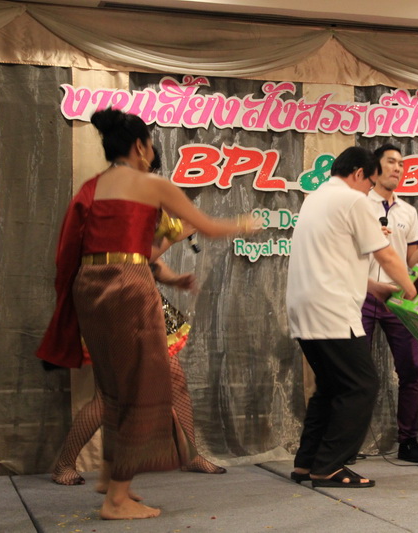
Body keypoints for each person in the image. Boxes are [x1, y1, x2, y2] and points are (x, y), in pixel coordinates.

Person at [37, 108, 258, 519]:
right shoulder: (152, 184)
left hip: (88, 286)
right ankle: (116, 500)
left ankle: (109, 478)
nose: (152, 152)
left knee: (112, 389)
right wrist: (245, 223)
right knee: (143, 390)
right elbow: (207, 227)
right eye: (151, 144)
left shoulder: (92, 187)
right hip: (128, 285)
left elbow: (71, 249)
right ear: (139, 146)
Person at [287, 146, 417, 488]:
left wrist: (375, 288)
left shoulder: (315, 198)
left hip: (305, 307)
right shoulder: (352, 200)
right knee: (362, 385)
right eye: (370, 182)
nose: (370, 190)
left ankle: (307, 463)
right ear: (359, 173)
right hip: (331, 310)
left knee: (331, 386)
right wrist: (411, 289)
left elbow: (332, 258)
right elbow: (387, 256)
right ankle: (329, 466)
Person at [51, 257, 226, 486]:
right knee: (108, 395)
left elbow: (147, 255)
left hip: (140, 296)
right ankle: (64, 464)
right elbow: (137, 252)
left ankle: (190, 455)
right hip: (112, 296)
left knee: (175, 380)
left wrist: (172, 277)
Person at [361, 143, 418, 463]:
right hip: (363, 294)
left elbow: (412, 260)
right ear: (375, 169)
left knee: (411, 370)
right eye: (391, 162)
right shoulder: (360, 204)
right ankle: (347, 443)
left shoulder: (408, 211)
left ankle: (408, 441)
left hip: (398, 299)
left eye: (401, 163)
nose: (397, 168)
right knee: (355, 370)